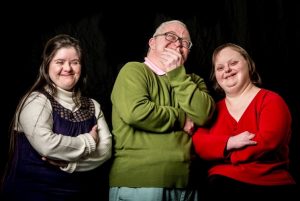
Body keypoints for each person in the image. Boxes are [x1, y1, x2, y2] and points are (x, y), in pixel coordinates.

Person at [109, 20, 215, 201]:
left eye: (185, 42)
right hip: (140, 182)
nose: (178, 43)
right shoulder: (134, 70)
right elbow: (137, 112)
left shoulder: (194, 81)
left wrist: (177, 75)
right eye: (170, 36)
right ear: (152, 42)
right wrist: (182, 118)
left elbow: (204, 114)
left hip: (189, 183)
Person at [1, 34, 112, 201]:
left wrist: (70, 164)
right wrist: (88, 141)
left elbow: (105, 151)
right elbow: (47, 145)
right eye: (59, 62)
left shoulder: (93, 106)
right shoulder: (36, 101)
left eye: (74, 62)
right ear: (47, 66)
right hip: (31, 195)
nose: (67, 68)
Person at [192, 43, 297, 199]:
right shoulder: (212, 110)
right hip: (222, 185)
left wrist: (226, 153)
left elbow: (269, 140)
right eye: (220, 68)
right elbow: (199, 143)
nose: (227, 70)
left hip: (271, 184)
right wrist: (229, 143)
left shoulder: (271, 100)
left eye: (233, 63)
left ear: (248, 64)